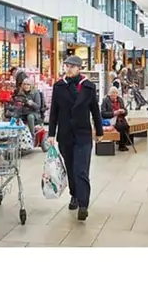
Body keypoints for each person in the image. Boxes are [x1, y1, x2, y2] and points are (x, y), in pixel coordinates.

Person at [47, 55, 104, 221]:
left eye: (72, 66)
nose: (69, 68)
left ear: (79, 68)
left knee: (81, 169)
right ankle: (74, 195)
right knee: (71, 168)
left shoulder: (87, 86)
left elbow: (95, 110)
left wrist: (99, 132)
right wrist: (51, 133)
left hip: (83, 134)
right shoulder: (59, 86)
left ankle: (84, 205)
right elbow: (54, 112)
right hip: (65, 135)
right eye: (67, 66)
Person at [101, 86, 131, 152]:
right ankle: (121, 145)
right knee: (120, 127)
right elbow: (103, 113)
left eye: (115, 94)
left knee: (126, 126)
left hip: (120, 118)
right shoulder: (105, 100)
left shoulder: (120, 99)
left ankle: (124, 142)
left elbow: (125, 110)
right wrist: (114, 113)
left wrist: (123, 111)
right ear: (109, 94)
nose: (114, 96)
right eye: (112, 94)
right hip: (110, 120)